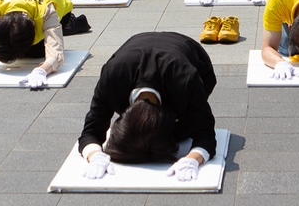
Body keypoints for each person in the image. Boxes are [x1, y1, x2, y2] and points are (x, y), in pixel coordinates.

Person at [79, 32, 217, 182]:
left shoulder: (185, 81)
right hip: (136, 46)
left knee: (184, 132)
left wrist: (192, 159)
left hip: (193, 58)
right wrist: (95, 155)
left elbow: (206, 135)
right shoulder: (113, 79)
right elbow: (90, 132)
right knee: (143, 136)